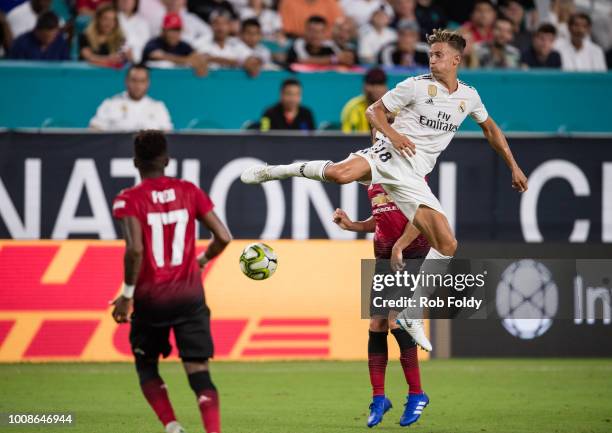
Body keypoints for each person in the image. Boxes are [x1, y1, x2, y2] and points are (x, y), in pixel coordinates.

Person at [240, 29, 528, 351]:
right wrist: (394, 134)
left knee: (447, 244)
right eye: (430, 54)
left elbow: (490, 129)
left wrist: (514, 166)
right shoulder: (415, 86)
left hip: (414, 176)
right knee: (338, 175)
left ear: (457, 60)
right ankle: (275, 171)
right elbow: (372, 112)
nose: (432, 60)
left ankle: (412, 313)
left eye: (439, 55)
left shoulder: (469, 97)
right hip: (390, 154)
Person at [111, 130, 231, 433]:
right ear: (166, 160)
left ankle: (172, 425)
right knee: (198, 370)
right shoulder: (189, 191)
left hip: (151, 300)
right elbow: (224, 237)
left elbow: (135, 249)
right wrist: (200, 262)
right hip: (189, 296)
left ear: (136, 162)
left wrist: (127, 294)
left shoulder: (128, 199)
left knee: (146, 364)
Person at [333, 182, 430, 427]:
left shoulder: (409, 170)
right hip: (384, 257)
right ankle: (379, 398)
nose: (377, 141)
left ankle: (417, 392)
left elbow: (421, 214)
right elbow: (382, 220)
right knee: (376, 325)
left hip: (412, 255)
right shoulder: (374, 181)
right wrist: (353, 225)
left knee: (396, 321)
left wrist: (400, 245)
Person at [89, 65, 173, 131]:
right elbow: (94, 130)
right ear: (126, 81)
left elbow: (167, 135)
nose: (138, 86)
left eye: (142, 81)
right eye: (134, 80)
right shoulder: (110, 104)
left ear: (148, 83)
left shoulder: (158, 107)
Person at [142, 12, 208, 76]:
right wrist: (186, 60)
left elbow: (197, 58)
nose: (174, 34)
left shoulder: (184, 45)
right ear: (163, 31)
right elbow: (156, 55)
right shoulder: (154, 43)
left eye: (177, 30)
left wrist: (198, 61)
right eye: (171, 30)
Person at [285, 15, 353, 68]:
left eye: (319, 32)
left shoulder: (330, 45)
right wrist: (333, 59)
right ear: (305, 32)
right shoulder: (298, 44)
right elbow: (301, 61)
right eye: (312, 31)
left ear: (325, 34)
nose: (315, 35)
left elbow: (346, 60)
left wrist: (345, 58)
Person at [341, 67, 388, 133]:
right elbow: (347, 137)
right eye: (373, 84)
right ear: (364, 86)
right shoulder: (353, 107)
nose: (378, 89)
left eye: (381, 84)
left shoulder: (394, 110)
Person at [279, 0, 343, 38]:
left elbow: (338, 27)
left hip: (327, 42)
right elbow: (287, 31)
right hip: (297, 41)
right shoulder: (288, 2)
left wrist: (319, 38)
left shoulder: (330, 2)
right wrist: (311, 38)